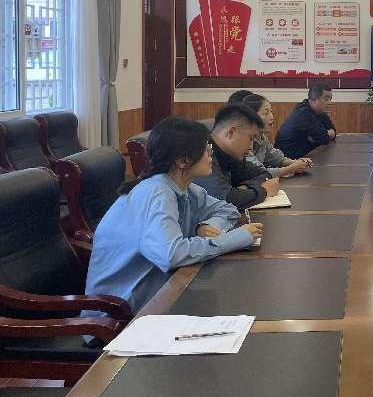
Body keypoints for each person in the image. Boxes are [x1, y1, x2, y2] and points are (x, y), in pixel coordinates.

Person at [84, 117, 263, 316]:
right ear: (183, 160)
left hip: (159, 292)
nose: (210, 155)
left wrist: (205, 226)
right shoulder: (157, 193)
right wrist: (234, 238)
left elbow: (227, 210)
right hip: (119, 313)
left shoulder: (184, 187)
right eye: (206, 149)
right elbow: (171, 255)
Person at [193, 103, 280, 209]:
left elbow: (263, 174)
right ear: (231, 133)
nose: (251, 147)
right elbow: (224, 200)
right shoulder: (200, 152)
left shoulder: (230, 155)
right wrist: (264, 190)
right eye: (251, 138)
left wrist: (245, 188)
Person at [242, 93, 313, 177]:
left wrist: (297, 163)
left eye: (271, 112)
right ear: (251, 116)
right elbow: (258, 172)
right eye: (266, 113)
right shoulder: (243, 140)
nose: (272, 117)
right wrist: (291, 168)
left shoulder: (262, 136)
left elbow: (275, 157)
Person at [275, 83, 336, 157]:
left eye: (330, 99)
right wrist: (326, 134)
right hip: (285, 160)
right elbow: (323, 139)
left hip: (303, 156)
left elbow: (333, 131)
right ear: (314, 99)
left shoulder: (320, 112)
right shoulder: (303, 113)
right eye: (326, 99)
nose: (330, 103)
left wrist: (322, 135)